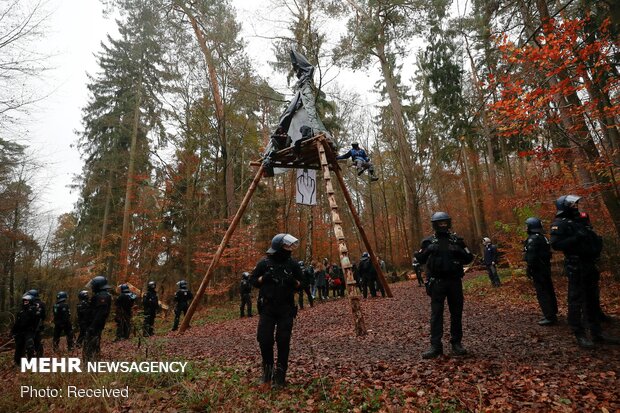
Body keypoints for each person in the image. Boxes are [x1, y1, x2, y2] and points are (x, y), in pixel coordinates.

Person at [550, 195, 619, 348]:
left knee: (592, 299)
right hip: (576, 266)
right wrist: (576, 238)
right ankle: (579, 334)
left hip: (589, 265)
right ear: (565, 206)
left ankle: (597, 332)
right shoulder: (560, 223)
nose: (576, 206)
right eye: (572, 204)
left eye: (576, 204)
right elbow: (556, 245)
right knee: (576, 301)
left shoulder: (580, 221)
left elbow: (590, 238)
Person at [415, 212, 473, 359]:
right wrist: (429, 250)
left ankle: (456, 343)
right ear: (434, 225)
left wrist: (458, 250)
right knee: (436, 315)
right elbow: (420, 258)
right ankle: (435, 346)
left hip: (454, 282)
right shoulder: (428, 242)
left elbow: (469, 257)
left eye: (444, 222)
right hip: (437, 283)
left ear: (448, 223)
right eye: (439, 223)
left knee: (456, 313)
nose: (442, 225)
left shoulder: (457, 240)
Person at [250, 233, 303, 389]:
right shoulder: (264, 263)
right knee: (264, 339)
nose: (289, 248)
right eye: (286, 246)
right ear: (279, 246)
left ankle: (280, 376)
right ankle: (267, 372)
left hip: (286, 309)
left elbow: (304, 283)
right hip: (267, 308)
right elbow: (253, 281)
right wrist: (263, 278)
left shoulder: (293, 264)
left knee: (283, 340)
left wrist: (294, 282)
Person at [523, 217, 558, 326]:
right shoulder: (543, 237)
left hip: (538, 270)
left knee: (543, 292)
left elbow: (532, 256)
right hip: (545, 269)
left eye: (526, 225)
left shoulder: (533, 239)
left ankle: (549, 316)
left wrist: (529, 268)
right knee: (549, 290)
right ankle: (552, 312)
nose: (525, 228)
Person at [83, 275, 112, 361]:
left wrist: (92, 326)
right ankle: (91, 362)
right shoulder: (100, 295)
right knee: (92, 344)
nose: (92, 287)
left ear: (98, 285)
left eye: (93, 285)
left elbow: (100, 314)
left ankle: (91, 363)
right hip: (93, 324)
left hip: (95, 326)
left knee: (91, 345)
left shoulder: (102, 297)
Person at [11, 293, 38, 366]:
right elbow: (17, 323)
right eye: (24, 301)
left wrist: (34, 308)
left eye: (27, 301)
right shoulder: (20, 312)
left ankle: (31, 362)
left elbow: (36, 318)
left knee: (30, 345)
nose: (25, 303)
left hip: (29, 331)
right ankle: (17, 363)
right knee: (19, 347)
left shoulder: (34, 310)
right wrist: (13, 332)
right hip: (20, 332)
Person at [27, 289, 45, 357]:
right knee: (38, 340)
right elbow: (43, 316)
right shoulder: (42, 304)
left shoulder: (29, 303)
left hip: (30, 326)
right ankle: (39, 355)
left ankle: (30, 357)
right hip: (39, 325)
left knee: (29, 340)